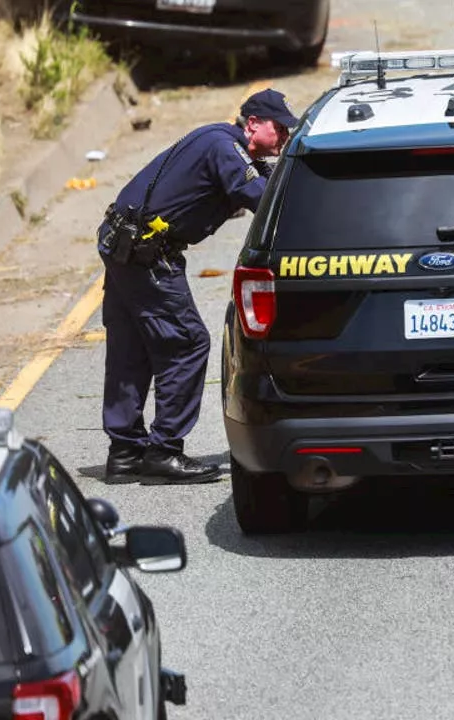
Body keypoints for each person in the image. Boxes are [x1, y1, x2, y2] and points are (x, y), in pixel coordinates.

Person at [96, 88, 298, 485]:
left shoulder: (217, 141)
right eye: (281, 130)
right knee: (188, 344)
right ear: (253, 123)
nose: (285, 139)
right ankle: (164, 450)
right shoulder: (226, 147)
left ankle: (124, 453)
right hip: (147, 256)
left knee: (132, 348)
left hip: (125, 248)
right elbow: (260, 197)